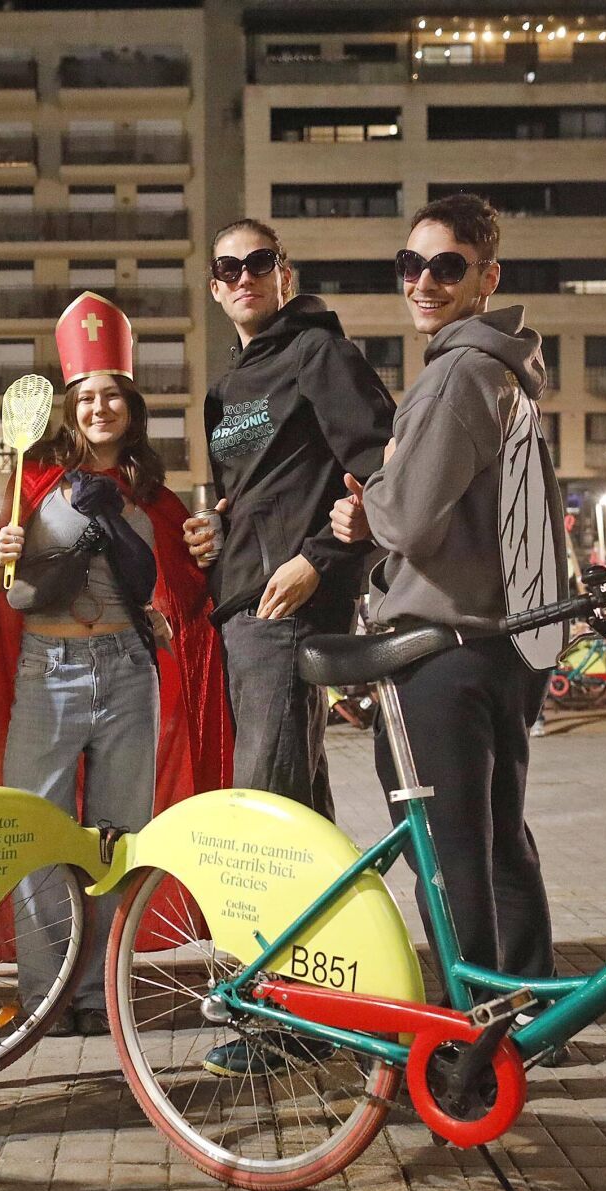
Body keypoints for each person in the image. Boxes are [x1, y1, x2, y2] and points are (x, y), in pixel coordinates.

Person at [0, 292, 233, 1036]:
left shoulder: (155, 497)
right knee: (37, 834)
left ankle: (95, 993)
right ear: (68, 407)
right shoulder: (29, 484)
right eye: (87, 397)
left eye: (113, 395)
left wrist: (204, 547)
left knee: (116, 840)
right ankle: (44, 992)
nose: (100, 407)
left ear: (132, 407)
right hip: (44, 672)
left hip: (127, 673)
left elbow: (189, 588)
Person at [331, 192, 568, 991]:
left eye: (446, 266)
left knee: (448, 850)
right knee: (501, 842)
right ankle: (530, 1011)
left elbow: (402, 518)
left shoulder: (456, 375)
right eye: (410, 264)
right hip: (503, 648)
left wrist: (369, 500)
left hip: (440, 654)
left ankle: (473, 1029)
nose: (423, 282)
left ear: (486, 276)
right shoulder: (509, 376)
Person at [185, 219, 392, 819]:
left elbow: (383, 478)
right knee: (293, 801)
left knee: (267, 809)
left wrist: (320, 559)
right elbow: (247, 494)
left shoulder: (319, 353)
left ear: (284, 274)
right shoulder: (223, 391)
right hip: (238, 606)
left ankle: (274, 918)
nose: (244, 276)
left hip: (286, 607)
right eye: (229, 268)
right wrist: (215, 532)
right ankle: (322, 915)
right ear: (216, 289)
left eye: (259, 263)